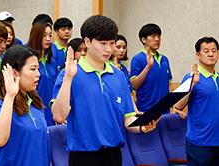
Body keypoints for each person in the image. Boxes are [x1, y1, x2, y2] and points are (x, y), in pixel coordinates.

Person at [51, 15, 158, 166]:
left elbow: (128, 119)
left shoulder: (119, 76)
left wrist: (142, 126)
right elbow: (58, 116)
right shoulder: (70, 73)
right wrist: (68, 78)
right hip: (83, 157)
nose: (109, 49)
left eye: (112, 43)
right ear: (87, 42)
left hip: (114, 155)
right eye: (103, 43)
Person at [0, 45, 49, 166]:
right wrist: (10, 96)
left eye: (38, 69)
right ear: (14, 73)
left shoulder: (35, 102)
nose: (38, 74)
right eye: (33, 69)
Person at [173, 37, 219, 165]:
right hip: (200, 144)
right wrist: (192, 84)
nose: (211, 54)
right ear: (198, 55)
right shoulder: (192, 77)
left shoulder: (218, 78)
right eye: (206, 51)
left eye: (214, 51)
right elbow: (178, 105)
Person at [130, 23, 172, 113]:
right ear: (143, 39)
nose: (157, 39)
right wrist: (148, 67)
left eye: (158, 36)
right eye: (153, 36)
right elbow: (134, 85)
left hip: (165, 110)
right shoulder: (137, 59)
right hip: (146, 110)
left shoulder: (165, 59)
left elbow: (169, 85)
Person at [27, 21, 57, 126]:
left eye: (50, 35)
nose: (48, 39)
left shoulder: (51, 60)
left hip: (51, 108)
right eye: (44, 36)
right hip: (35, 108)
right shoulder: (28, 60)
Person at [109, 34, 143, 115]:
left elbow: (129, 93)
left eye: (124, 47)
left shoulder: (123, 68)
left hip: (125, 110)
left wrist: (135, 111)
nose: (122, 50)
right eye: (118, 47)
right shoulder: (105, 66)